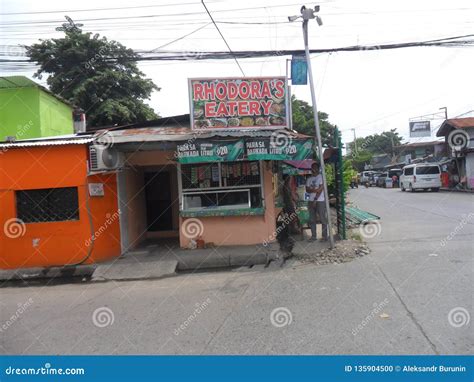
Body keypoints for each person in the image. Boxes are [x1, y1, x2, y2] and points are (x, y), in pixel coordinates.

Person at [306, 162, 328, 242]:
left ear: (318, 169)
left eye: (315, 168)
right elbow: (307, 190)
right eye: (312, 168)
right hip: (310, 201)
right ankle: (313, 236)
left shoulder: (321, 177)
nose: (313, 169)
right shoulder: (309, 179)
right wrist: (315, 190)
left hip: (320, 201)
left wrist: (315, 198)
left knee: (322, 219)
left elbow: (320, 190)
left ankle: (325, 237)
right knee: (312, 219)